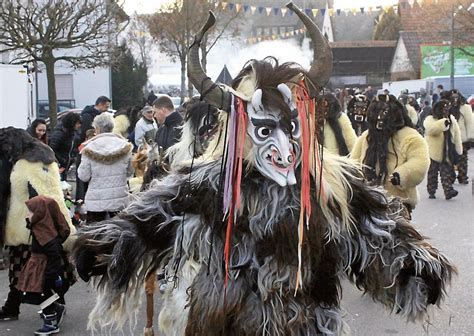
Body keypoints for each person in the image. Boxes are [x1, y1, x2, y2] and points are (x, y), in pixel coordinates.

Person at [73, 7, 454, 335]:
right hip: (222, 324)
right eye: (265, 130)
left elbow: (376, 234)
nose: (282, 147)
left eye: (289, 128)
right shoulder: (208, 184)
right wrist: (110, 245)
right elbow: (151, 220)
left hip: (307, 324)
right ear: (241, 131)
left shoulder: (331, 186)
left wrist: (411, 265)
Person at [0, 128, 76, 322]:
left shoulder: (26, 164)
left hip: (32, 227)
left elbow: (39, 198)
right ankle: (14, 306)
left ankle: (50, 312)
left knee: (32, 273)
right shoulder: (43, 159)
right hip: (44, 226)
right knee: (43, 270)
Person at [351, 94, 430, 216]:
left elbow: (419, 161)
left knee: (398, 233)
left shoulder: (409, 136)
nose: (379, 117)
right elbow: (354, 161)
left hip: (398, 200)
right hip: (369, 200)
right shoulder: (367, 136)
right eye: (376, 113)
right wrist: (353, 180)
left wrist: (401, 175)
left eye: (384, 113)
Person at [17, 195, 70, 335]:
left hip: (44, 271)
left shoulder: (45, 233)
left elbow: (54, 255)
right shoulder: (40, 227)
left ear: (40, 213)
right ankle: (57, 309)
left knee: (43, 295)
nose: (28, 215)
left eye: (31, 212)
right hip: (41, 268)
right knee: (43, 295)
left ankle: (51, 323)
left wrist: (49, 276)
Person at [77, 113, 133, 224]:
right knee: (118, 234)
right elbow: (130, 173)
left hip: (96, 202)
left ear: (97, 129)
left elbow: (83, 176)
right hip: (119, 198)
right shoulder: (125, 147)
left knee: (95, 236)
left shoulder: (89, 148)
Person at [424, 100, 463, 200]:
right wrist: (442, 123)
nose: (446, 110)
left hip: (446, 151)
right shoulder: (430, 118)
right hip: (433, 151)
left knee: (445, 172)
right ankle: (431, 191)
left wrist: (458, 148)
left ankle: (448, 190)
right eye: (444, 108)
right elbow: (431, 129)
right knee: (432, 173)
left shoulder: (451, 119)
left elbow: (456, 133)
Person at [442, 89, 474, 184]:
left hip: (462, 137)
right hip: (450, 136)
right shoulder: (447, 108)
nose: (455, 100)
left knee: (462, 157)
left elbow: (469, 123)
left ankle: (462, 176)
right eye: (453, 98)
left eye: (456, 98)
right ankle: (451, 176)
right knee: (450, 157)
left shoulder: (465, 108)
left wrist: (471, 137)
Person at [48, 112, 82, 181]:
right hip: (59, 165)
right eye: (78, 123)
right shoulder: (60, 134)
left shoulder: (71, 133)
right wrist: (62, 163)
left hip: (65, 165)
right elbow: (52, 150)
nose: (79, 125)